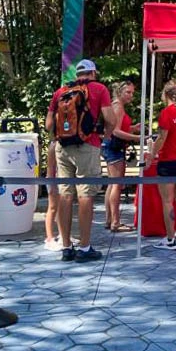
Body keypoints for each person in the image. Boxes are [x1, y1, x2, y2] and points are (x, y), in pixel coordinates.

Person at [45, 59, 115, 263]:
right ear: (93, 73)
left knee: (65, 195)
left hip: (62, 147)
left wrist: (60, 136)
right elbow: (110, 119)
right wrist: (105, 137)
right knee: (85, 195)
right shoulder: (99, 89)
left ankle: (66, 247)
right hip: (88, 145)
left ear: (77, 74)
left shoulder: (61, 92)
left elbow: (49, 124)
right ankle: (84, 247)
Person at [145, 80, 176, 250]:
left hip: (168, 161)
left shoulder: (166, 113)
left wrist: (151, 154)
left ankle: (170, 239)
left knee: (167, 201)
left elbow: (162, 138)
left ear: (165, 95)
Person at [102, 80, 141, 233]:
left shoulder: (116, 105)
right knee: (116, 185)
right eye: (128, 92)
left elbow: (117, 127)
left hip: (110, 146)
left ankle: (109, 220)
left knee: (112, 184)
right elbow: (116, 131)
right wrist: (137, 138)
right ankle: (116, 222)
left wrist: (132, 128)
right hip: (114, 147)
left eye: (132, 92)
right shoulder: (118, 106)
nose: (131, 95)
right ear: (120, 92)